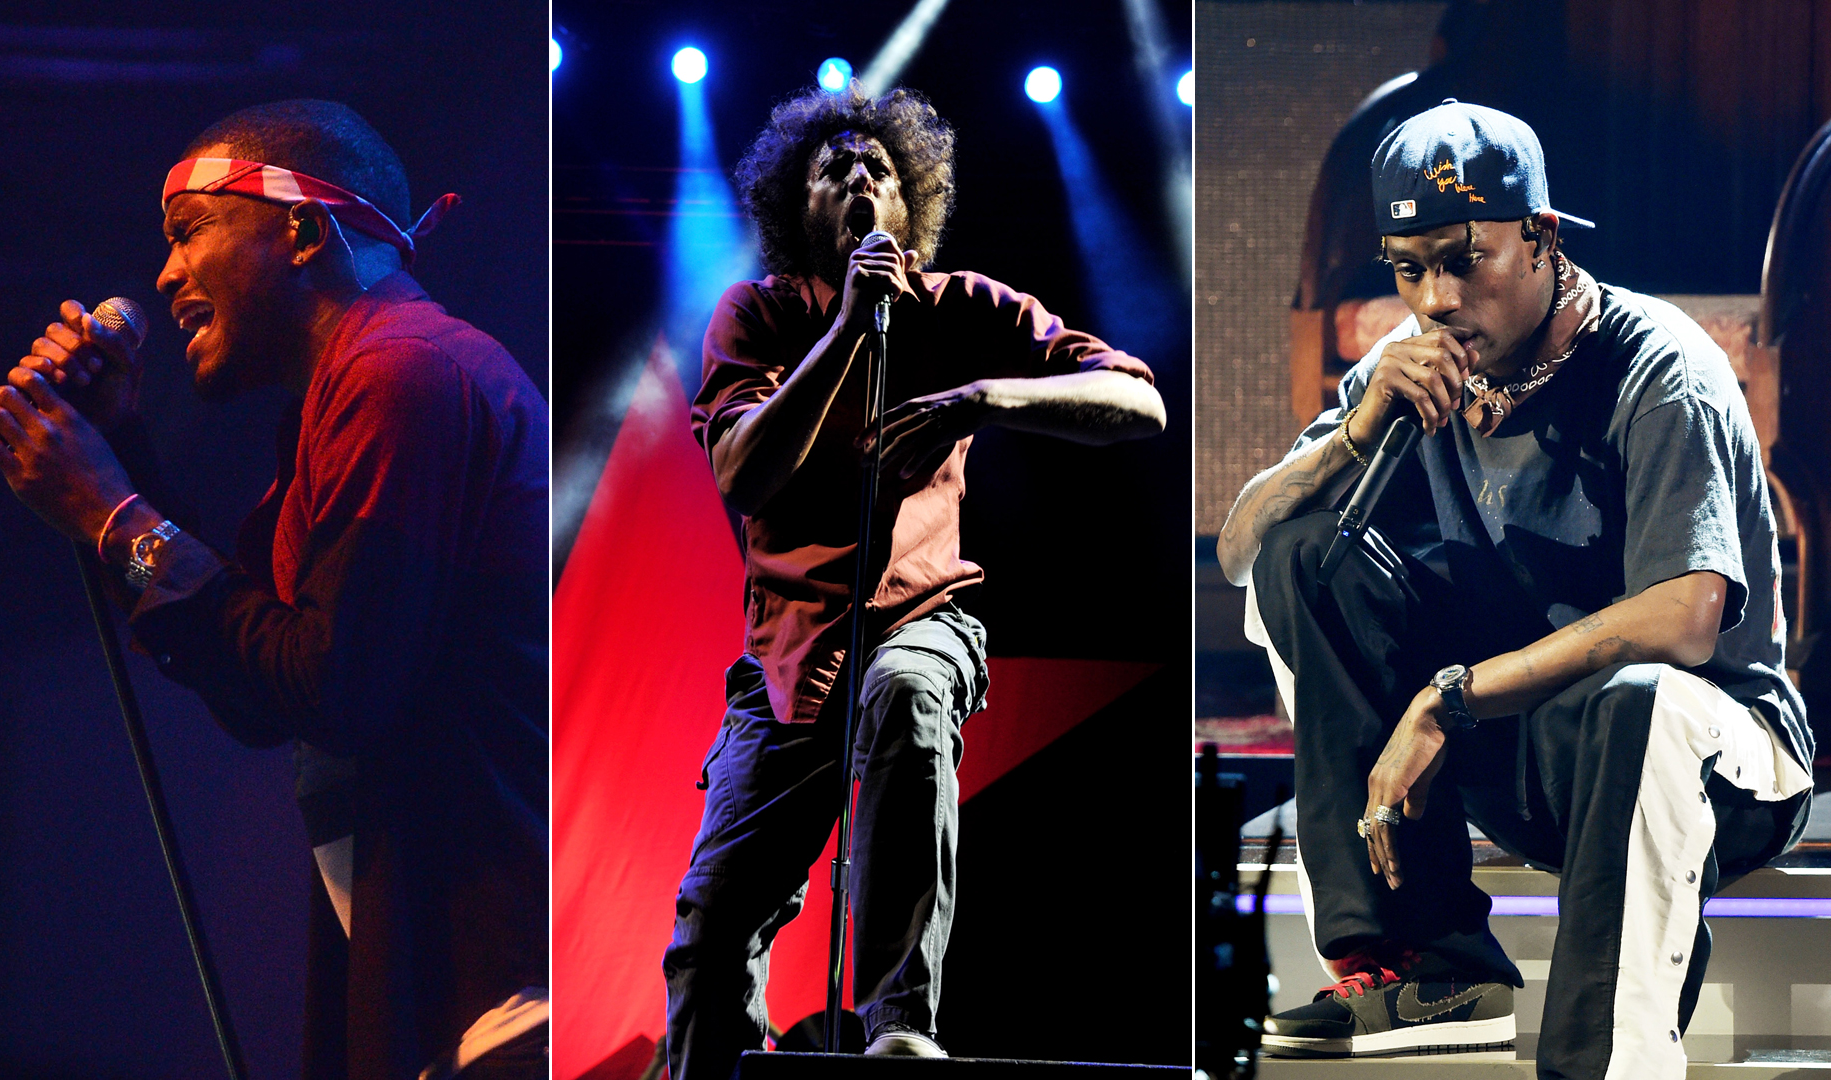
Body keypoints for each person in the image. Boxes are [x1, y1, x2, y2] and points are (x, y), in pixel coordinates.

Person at [0, 100, 548, 1079]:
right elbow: (261, 678)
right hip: (447, 1001)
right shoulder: (351, 402)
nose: (165, 274)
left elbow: (330, 686)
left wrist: (111, 508)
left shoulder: (408, 373)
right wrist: (121, 460)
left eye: (189, 233)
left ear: (303, 229)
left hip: (506, 1001)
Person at [1216, 99, 1813, 1078]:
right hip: (1535, 759)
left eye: (1463, 259)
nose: (1437, 298)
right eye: (1409, 269)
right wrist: (1358, 432)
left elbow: (1690, 616)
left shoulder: (1658, 367)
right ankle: (1425, 968)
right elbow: (1242, 548)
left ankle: (1601, 1063)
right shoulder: (1402, 373)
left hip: (1721, 762)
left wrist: (1452, 699)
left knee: (1641, 700)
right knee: (1307, 552)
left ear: (1540, 237)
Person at [661, 83, 1166, 1076]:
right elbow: (741, 472)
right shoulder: (756, 316)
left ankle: (901, 1019)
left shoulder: (961, 304)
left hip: (921, 618)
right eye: (834, 169)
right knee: (711, 933)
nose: (861, 181)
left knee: (904, 689)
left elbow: (1136, 400)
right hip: (787, 660)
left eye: (881, 171)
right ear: (791, 204)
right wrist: (851, 326)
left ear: (910, 204)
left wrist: (987, 395)